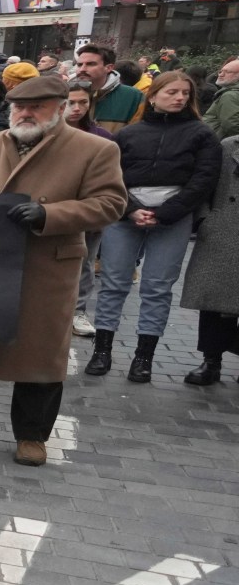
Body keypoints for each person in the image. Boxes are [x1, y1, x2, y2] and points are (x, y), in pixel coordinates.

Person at [0, 74, 127, 465]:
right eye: (20, 106)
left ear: (61, 109)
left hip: (46, 265)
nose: (26, 113)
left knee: (41, 352)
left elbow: (111, 204)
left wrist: (51, 213)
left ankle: (32, 435)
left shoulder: (94, 149)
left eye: (37, 107)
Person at [85, 68, 220, 381]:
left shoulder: (201, 135)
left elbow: (204, 179)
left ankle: (144, 357)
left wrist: (167, 212)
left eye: (185, 94)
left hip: (172, 218)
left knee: (158, 289)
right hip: (125, 216)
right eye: (172, 92)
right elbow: (109, 177)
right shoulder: (129, 135)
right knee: (114, 284)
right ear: (154, 95)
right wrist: (131, 209)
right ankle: (102, 351)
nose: (179, 98)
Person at [178, 131, 239, 385]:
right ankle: (211, 361)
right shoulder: (228, 145)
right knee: (213, 301)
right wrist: (205, 218)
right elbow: (207, 182)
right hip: (224, 228)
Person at [76, 44, 143, 130]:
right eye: (79, 65)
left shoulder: (133, 96)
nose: (82, 69)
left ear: (109, 68)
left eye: (91, 64)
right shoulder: (66, 92)